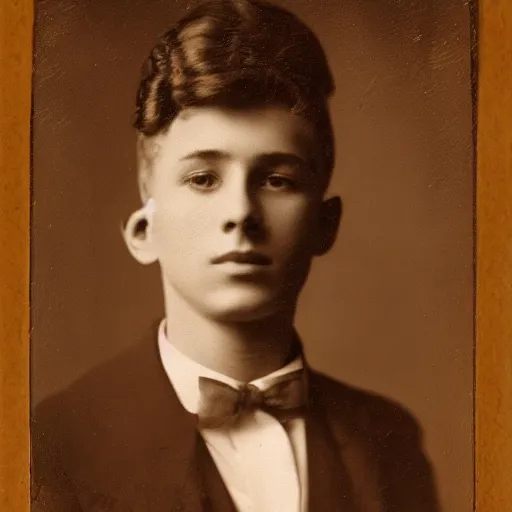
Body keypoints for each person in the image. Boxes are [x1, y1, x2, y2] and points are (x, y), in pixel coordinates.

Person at [31, 0, 439, 510]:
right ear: (144, 228)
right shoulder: (53, 444)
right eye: (203, 179)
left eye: (277, 180)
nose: (241, 213)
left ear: (324, 225)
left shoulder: (388, 439)